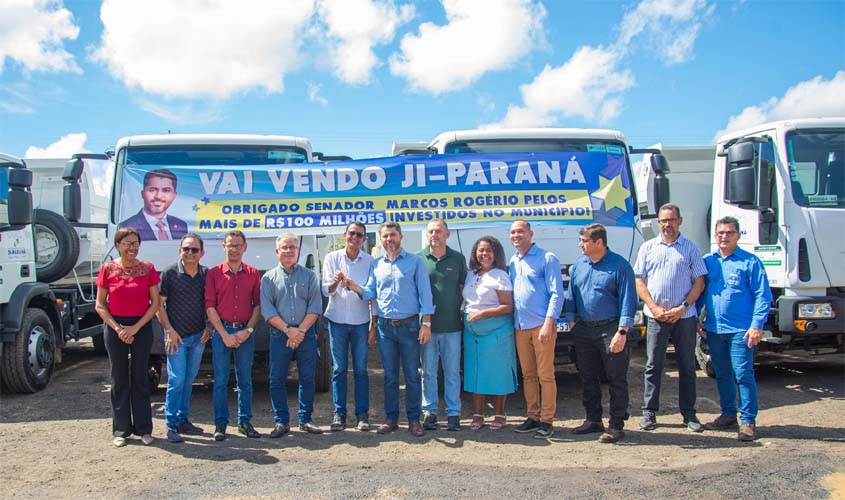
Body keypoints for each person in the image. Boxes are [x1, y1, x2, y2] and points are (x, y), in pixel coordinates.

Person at [346, 222, 434, 437]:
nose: (389, 240)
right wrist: (353, 286)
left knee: (413, 375)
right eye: (385, 236)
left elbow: (426, 294)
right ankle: (391, 418)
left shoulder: (415, 262)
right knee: (390, 376)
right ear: (381, 240)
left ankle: (414, 419)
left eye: (392, 235)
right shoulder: (376, 265)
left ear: (401, 237)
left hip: (411, 327)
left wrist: (426, 324)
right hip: (386, 328)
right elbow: (370, 293)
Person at [697, 216, 772, 441]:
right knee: (722, 374)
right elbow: (699, 292)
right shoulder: (707, 261)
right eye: (720, 233)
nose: (724, 237)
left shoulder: (750, 262)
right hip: (714, 329)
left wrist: (757, 325)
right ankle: (728, 414)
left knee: (743, 374)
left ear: (738, 235)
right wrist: (695, 319)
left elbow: (762, 295)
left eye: (729, 233)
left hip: (742, 330)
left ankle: (747, 420)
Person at [634, 204, 707, 432]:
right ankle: (649, 413)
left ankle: (689, 414)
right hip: (656, 316)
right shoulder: (647, 248)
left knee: (687, 366)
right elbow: (639, 281)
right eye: (663, 220)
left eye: (672, 220)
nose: (667, 224)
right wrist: (654, 307)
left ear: (680, 221)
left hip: (684, 317)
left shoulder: (691, 248)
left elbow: (699, 283)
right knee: (653, 365)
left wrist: (683, 308)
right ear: (658, 223)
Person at [566, 223, 637, 444]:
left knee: (616, 378)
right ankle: (593, 419)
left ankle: (616, 425)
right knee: (588, 377)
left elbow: (629, 300)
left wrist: (622, 331)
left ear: (599, 242)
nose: (580, 245)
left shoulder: (619, 266)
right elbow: (572, 294)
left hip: (610, 329)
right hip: (584, 330)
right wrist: (571, 321)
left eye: (584, 241)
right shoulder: (579, 265)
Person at [94, 227, 161, 447]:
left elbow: (155, 304)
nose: (132, 248)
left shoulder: (147, 268)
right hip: (115, 329)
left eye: (135, 243)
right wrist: (118, 329)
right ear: (117, 245)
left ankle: (144, 428)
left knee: (140, 377)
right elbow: (100, 305)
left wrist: (135, 328)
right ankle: (121, 430)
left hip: (141, 328)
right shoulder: (108, 269)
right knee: (119, 378)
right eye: (127, 243)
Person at [261, 233, 324, 438]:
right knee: (277, 379)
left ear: (298, 250)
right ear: (277, 251)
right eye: (285, 247)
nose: (289, 251)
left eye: (292, 247)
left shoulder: (309, 276)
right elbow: (268, 311)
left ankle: (305, 420)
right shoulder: (268, 278)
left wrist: (300, 332)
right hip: (280, 335)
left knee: (307, 378)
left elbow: (315, 307)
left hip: (306, 334)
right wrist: (289, 330)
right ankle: (282, 422)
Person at [508, 220, 564, 439]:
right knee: (528, 375)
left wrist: (549, 323)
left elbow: (556, 293)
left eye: (520, 231)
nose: (516, 235)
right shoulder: (514, 261)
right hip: (520, 326)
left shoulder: (547, 258)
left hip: (541, 326)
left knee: (546, 376)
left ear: (530, 233)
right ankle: (533, 416)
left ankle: (547, 420)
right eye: (513, 232)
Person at [205, 230, 262, 441]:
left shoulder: (253, 273)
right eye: (230, 245)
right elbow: (210, 307)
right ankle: (220, 424)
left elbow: (257, 306)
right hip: (222, 332)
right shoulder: (214, 274)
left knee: (245, 380)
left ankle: (244, 422)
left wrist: (247, 331)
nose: (234, 249)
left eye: (238, 245)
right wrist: (223, 334)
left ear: (245, 247)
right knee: (220, 380)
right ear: (224, 247)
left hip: (244, 332)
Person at [157, 233, 209, 443]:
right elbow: (159, 306)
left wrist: (208, 327)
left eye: (194, 250)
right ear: (180, 251)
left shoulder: (206, 274)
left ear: (201, 253)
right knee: (176, 380)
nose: (190, 253)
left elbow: (210, 305)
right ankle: (171, 426)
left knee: (188, 380)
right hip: (176, 338)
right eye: (186, 249)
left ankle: (183, 420)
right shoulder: (169, 274)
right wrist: (169, 331)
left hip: (198, 337)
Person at [321, 222, 374, 432]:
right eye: (352, 233)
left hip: (361, 321)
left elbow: (371, 292)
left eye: (359, 235)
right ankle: (339, 414)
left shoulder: (370, 261)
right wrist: (335, 283)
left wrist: (354, 287)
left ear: (364, 239)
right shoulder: (332, 258)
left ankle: (362, 415)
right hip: (337, 321)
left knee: (361, 370)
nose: (355, 238)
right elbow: (326, 290)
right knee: (339, 369)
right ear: (345, 235)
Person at [418, 219, 467, 432]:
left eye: (438, 231)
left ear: (447, 234)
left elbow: (464, 288)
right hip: (427, 326)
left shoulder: (458, 258)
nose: (434, 235)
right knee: (428, 371)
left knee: (452, 371)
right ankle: (429, 412)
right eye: (430, 231)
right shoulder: (419, 258)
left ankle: (453, 414)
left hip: (452, 325)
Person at [462, 236, 516, 431]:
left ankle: (500, 415)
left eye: (489, 251)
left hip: (496, 331)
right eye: (481, 250)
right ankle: (478, 414)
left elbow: (508, 306)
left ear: (496, 254)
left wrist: (482, 313)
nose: (484, 254)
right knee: (476, 372)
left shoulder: (500, 275)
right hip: (472, 333)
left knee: (497, 372)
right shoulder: (471, 274)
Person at [119, 169, 187, 241]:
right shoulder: (127, 227)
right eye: (152, 190)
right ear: (143, 194)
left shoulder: (181, 225)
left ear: (174, 195)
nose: (158, 196)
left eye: (166, 190)